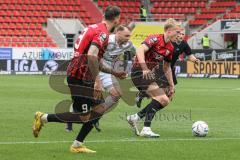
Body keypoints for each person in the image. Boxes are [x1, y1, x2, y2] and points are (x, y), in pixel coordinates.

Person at [32, 6, 126, 153]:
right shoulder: (102, 33)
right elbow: (91, 55)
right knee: (84, 116)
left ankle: (77, 144)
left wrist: (114, 72)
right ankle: (43, 117)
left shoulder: (93, 28)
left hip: (81, 74)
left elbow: (96, 58)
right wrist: (98, 80)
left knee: (99, 109)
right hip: (80, 76)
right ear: (116, 19)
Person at [65, 25, 135, 132]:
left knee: (116, 94)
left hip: (107, 71)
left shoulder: (129, 45)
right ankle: (70, 118)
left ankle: (95, 116)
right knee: (85, 100)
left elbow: (135, 54)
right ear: (118, 33)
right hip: (95, 69)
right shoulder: (107, 39)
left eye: (129, 36)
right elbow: (94, 55)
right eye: (126, 36)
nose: (128, 38)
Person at [126, 21, 180, 138]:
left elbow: (167, 67)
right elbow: (140, 50)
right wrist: (144, 68)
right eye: (177, 32)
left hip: (148, 74)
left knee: (165, 100)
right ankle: (146, 128)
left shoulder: (170, 47)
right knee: (161, 98)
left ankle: (135, 117)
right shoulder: (155, 38)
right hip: (139, 71)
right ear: (169, 31)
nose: (179, 35)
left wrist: (172, 85)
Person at [135, 27, 200, 108]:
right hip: (161, 68)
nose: (180, 35)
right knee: (161, 89)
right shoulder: (170, 42)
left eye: (182, 34)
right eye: (179, 33)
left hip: (170, 69)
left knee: (169, 90)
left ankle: (155, 104)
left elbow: (190, 56)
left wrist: (195, 60)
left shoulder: (184, 44)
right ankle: (146, 98)